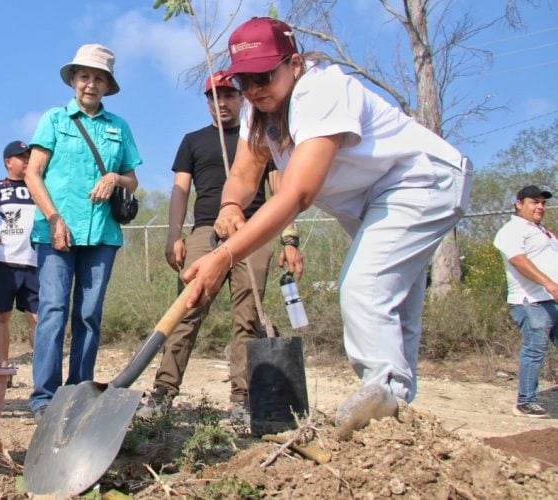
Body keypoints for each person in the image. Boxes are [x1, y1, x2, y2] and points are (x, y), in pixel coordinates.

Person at [182, 18, 472, 440]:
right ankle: (399, 419)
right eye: (245, 80)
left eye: (265, 75)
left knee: (364, 285)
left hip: (420, 181)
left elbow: (296, 194)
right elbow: (245, 173)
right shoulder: (257, 111)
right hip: (372, 201)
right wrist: (229, 204)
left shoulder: (321, 91)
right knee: (393, 304)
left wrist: (224, 256)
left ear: (295, 63)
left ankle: (383, 403)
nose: (255, 88)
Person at [138, 72, 303, 425]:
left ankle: (243, 399)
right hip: (205, 234)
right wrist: (173, 235)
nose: (222, 103)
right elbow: (180, 191)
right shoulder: (193, 141)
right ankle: (163, 393)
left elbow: (282, 188)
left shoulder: (259, 139)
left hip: (255, 232)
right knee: (187, 310)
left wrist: (289, 238)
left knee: (248, 318)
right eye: (214, 96)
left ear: (242, 98)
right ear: (207, 102)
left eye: (229, 95)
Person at [24, 44, 142, 420]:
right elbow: (32, 173)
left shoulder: (119, 127)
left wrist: (114, 176)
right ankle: (44, 397)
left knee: (89, 313)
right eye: (85, 76)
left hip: (103, 234)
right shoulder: (54, 120)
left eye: (99, 78)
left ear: (108, 86)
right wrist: (54, 219)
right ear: (74, 80)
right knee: (54, 310)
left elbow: (133, 180)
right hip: (57, 231)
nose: (91, 84)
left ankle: (78, 394)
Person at [493, 186, 558, 418]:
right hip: (530, 301)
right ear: (519, 203)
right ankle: (525, 401)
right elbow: (519, 261)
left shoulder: (542, 231)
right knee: (535, 349)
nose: (540, 206)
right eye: (534, 202)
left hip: (550, 300)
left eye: (543, 203)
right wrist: (549, 284)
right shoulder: (512, 230)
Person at [0, 140, 40, 368]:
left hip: (35, 262)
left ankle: (41, 371)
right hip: (4, 262)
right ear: (8, 161)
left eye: (29, 157)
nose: (27, 161)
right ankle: (2, 369)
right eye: (22, 157)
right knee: (2, 316)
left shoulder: (39, 187)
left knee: (37, 318)